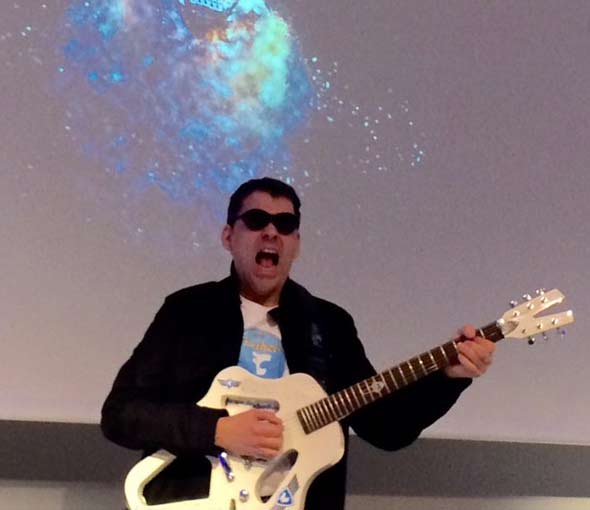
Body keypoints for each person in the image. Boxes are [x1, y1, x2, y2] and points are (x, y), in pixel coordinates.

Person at [101, 177, 495, 510]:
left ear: (297, 244)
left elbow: (386, 428)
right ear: (228, 236)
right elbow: (121, 414)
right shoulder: (187, 311)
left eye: (285, 224)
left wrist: (449, 377)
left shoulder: (329, 323)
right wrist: (217, 430)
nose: (271, 232)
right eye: (256, 220)